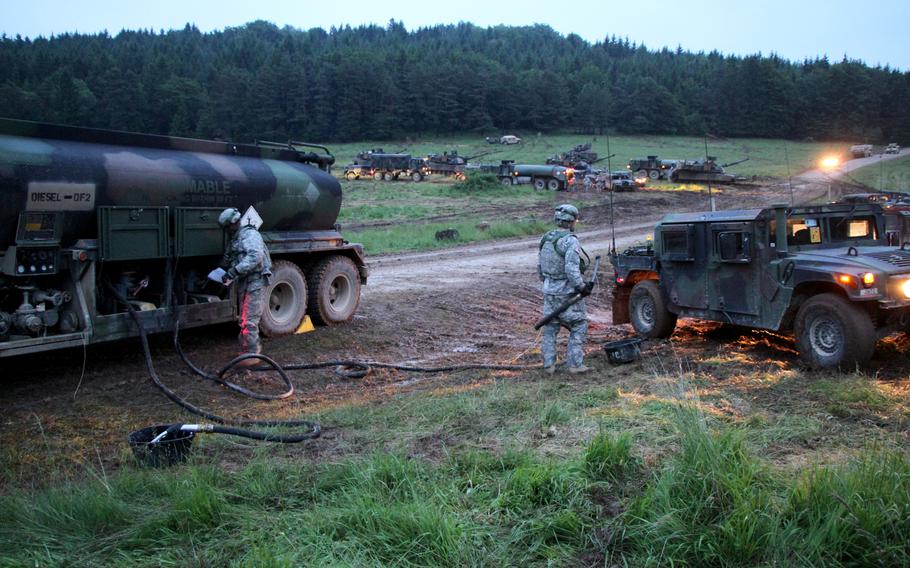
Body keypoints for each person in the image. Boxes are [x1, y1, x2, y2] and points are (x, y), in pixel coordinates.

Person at [537, 204, 590, 374]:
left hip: (549, 290)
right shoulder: (570, 240)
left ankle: (549, 365)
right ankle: (575, 364)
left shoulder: (546, 237)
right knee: (579, 324)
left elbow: (540, 267)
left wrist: (547, 283)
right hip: (567, 293)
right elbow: (571, 269)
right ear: (572, 221)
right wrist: (581, 287)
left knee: (550, 327)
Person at [217, 207, 272, 363]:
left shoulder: (250, 234)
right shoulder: (235, 238)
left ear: (234, 223)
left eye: (227, 227)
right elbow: (227, 259)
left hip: (256, 280)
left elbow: (255, 256)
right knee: (244, 319)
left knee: (249, 320)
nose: (226, 231)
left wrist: (234, 271)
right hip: (245, 282)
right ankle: (246, 351)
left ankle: (252, 355)